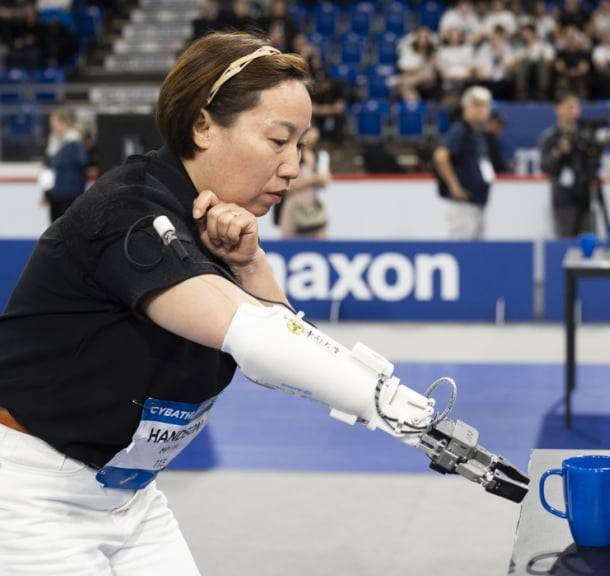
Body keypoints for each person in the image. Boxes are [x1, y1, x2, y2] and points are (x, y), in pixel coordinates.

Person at [0, 32, 446, 573]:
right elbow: (257, 339)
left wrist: (251, 266)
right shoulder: (129, 214)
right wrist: (396, 406)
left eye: (301, 144)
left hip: (131, 495)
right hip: (29, 495)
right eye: (278, 140)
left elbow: (287, 350)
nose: (294, 166)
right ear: (203, 125)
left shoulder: (216, 224)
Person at [432, 86, 494, 240]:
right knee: (463, 247)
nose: (482, 110)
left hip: (477, 201)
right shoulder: (460, 130)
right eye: (477, 105)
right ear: (467, 107)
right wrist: (454, 187)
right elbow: (441, 156)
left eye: (485, 106)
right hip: (463, 203)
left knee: (476, 249)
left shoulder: (477, 132)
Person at [539, 94, 593, 237]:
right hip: (564, 199)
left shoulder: (586, 134)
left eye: (576, 106)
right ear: (558, 109)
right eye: (569, 106)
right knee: (565, 240)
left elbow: (593, 163)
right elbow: (545, 166)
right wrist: (559, 151)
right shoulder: (550, 136)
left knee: (588, 239)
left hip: (586, 196)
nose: (574, 110)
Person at [279, 126, 330, 238]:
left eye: (312, 131)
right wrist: (313, 180)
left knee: (319, 238)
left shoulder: (321, 155)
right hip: (293, 204)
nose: (311, 135)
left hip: (313, 205)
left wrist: (304, 182)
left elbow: (324, 181)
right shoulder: (290, 154)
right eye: (306, 131)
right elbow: (288, 186)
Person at [40, 107, 89, 222]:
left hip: (71, 193)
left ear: (64, 123)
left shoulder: (75, 142)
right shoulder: (53, 142)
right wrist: (46, 192)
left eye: (55, 123)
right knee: (54, 227)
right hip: (55, 194)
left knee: (68, 226)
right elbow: (47, 168)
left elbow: (83, 163)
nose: (53, 127)